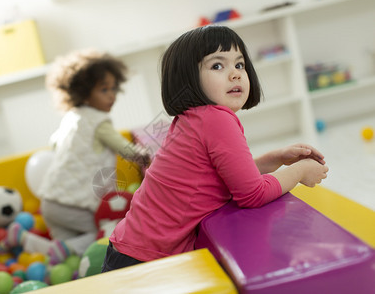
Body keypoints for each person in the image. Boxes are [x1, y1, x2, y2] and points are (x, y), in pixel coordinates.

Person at [101, 25, 329, 272]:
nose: (235, 74)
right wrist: (300, 171)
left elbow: (217, 177)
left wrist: (276, 159)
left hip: (129, 250)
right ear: (188, 80)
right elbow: (252, 195)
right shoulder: (216, 120)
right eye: (217, 66)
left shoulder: (192, 118)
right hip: (145, 261)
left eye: (239, 64)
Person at [0, 49, 150, 264]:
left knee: (65, 258)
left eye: (114, 88)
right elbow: (127, 150)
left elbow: (54, 145)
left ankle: (24, 239)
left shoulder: (71, 118)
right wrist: (148, 156)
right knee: (106, 233)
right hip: (75, 204)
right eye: (104, 89)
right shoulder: (99, 122)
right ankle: (62, 249)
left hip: (50, 202)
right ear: (84, 93)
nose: (112, 95)